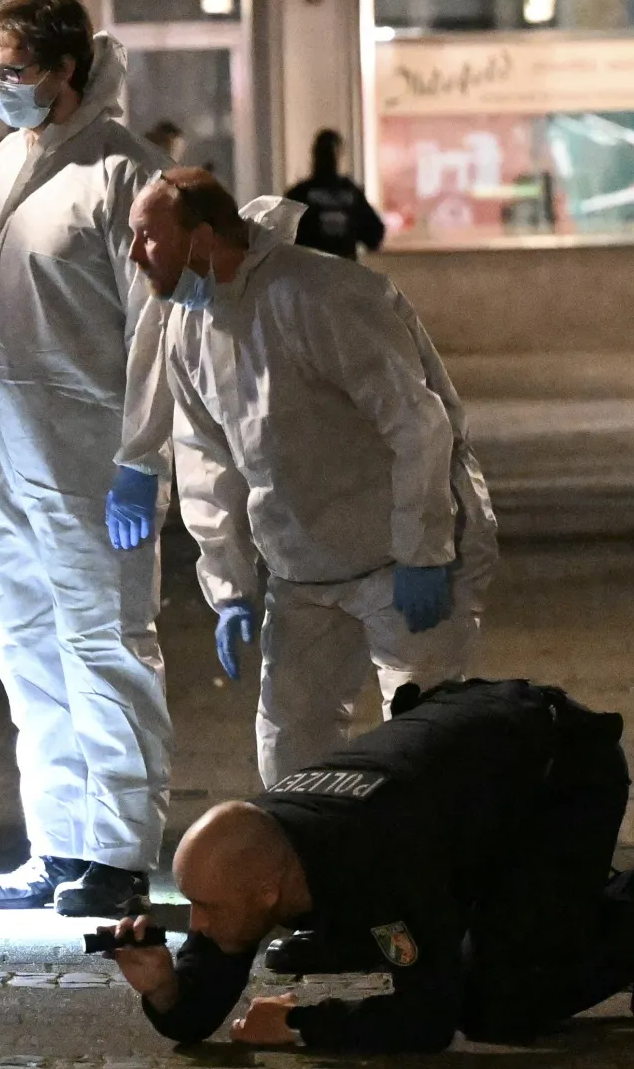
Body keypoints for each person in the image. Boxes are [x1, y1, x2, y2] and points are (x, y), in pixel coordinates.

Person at [128, 168, 497, 788]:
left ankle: (435, 878)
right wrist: (231, 585)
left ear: (204, 234)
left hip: (395, 560)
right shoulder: (190, 330)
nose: (136, 254)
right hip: (304, 571)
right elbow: (207, 462)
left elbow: (417, 424)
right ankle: (318, 874)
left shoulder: (319, 296)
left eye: (148, 236)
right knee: (291, 750)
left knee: (425, 741)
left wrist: (423, 548)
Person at [0, 0, 172, 919]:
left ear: (66, 70)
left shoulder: (123, 177)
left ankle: (118, 850)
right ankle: (59, 841)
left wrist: (141, 456)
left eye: (13, 72)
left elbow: (157, 332)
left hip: (83, 454)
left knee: (105, 645)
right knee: (27, 649)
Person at [100, 679, 634, 1053]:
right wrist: (167, 992)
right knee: (466, 946)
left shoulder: (376, 863)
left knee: (497, 1006)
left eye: (206, 909)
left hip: (559, 774)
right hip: (470, 772)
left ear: (266, 893)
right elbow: (211, 976)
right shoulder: (261, 849)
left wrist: (306, 1025)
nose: (194, 924)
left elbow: (429, 1018)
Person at [284, 129, 385, 260]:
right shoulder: (299, 194)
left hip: (326, 271)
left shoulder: (299, 194)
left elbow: (374, 234)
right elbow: (374, 236)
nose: (329, 158)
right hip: (320, 271)